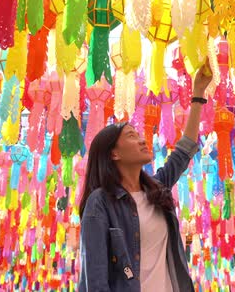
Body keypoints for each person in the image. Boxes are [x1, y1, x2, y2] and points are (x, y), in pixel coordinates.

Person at [77, 61, 213, 292]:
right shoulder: (100, 203)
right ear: (114, 153)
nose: (142, 140)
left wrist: (198, 92)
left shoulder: (157, 189)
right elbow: (96, 281)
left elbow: (185, 149)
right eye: (131, 136)